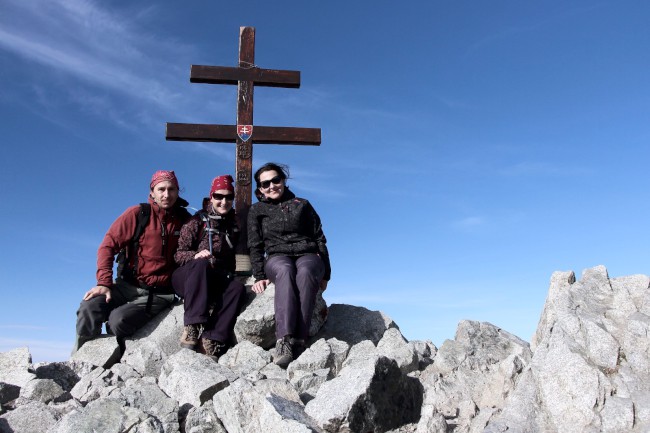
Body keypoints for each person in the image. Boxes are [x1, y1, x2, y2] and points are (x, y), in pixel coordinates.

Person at [74, 170, 191, 352]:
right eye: (161, 189)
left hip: (159, 294)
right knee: (89, 308)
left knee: (118, 320)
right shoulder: (138, 214)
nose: (166, 194)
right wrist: (103, 283)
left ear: (178, 191)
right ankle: (83, 362)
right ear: (152, 192)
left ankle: (115, 359)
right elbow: (107, 246)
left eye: (172, 189)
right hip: (125, 286)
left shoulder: (185, 221)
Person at [247, 162, 331, 368]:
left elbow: (320, 238)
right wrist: (259, 275)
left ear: (283, 180)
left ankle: (299, 340)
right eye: (265, 184)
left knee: (305, 272)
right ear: (259, 189)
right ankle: (283, 340)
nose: (271, 186)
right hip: (277, 256)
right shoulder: (257, 210)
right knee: (285, 271)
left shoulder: (302, 204)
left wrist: (326, 274)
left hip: (308, 253)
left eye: (275, 180)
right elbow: (255, 244)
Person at [172, 175, 246, 360]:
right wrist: (195, 255)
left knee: (237, 288)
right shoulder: (197, 221)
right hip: (188, 277)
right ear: (211, 197)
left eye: (229, 197)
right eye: (219, 196)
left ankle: (212, 339)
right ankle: (193, 326)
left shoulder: (235, 226)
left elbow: (240, 257)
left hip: (215, 278)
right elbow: (178, 254)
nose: (224, 201)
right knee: (202, 264)